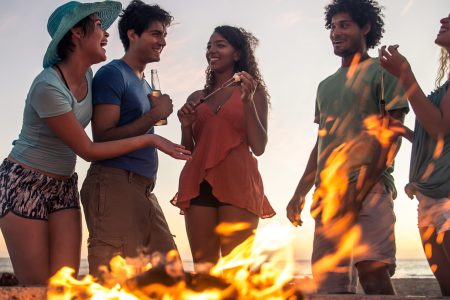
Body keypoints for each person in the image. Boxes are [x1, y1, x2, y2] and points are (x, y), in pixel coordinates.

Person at [0, 1, 190, 286]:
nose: (107, 34)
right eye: (99, 26)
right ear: (77, 33)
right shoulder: (48, 87)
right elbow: (89, 148)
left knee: (65, 285)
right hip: (25, 182)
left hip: (64, 184)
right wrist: (151, 135)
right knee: (38, 288)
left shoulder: (89, 76)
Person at [286, 0, 409, 294]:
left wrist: (361, 189)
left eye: (344, 25)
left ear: (365, 27)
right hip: (328, 195)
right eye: (333, 26)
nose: (335, 33)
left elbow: (392, 135)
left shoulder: (384, 71)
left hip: (370, 188)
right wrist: (299, 192)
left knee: (373, 270)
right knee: (331, 288)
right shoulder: (324, 86)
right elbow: (322, 144)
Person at [80, 0, 182, 277]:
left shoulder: (146, 84)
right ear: (133, 35)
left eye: (164, 35)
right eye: (156, 33)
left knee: (171, 276)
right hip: (114, 184)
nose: (162, 41)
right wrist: (152, 117)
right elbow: (102, 137)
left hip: (144, 190)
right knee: (115, 282)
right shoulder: (112, 74)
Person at [172, 25, 275, 270]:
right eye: (209, 46)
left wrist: (247, 102)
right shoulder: (196, 97)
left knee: (235, 272)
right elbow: (188, 151)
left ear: (237, 54)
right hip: (197, 184)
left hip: (238, 182)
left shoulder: (254, 92)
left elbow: (259, 146)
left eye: (220, 45)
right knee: (204, 273)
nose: (212, 50)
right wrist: (186, 126)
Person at [379, 13, 450, 296]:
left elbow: (440, 129)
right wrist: (405, 131)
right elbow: (438, 136)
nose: (443, 18)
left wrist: (405, 74)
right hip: (430, 196)